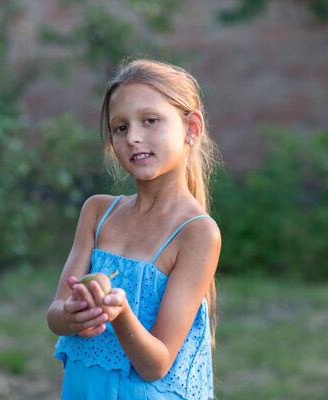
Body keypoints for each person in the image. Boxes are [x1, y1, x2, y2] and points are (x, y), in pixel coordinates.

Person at [46, 59, 222, 400]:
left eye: (150, 121)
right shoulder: (97, 211)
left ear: (192, 128)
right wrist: (74, 315)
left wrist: (120, 314)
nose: (134, 138)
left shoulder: (197, 233)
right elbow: (55, 314)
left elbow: (155, 364)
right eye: (120, 128)